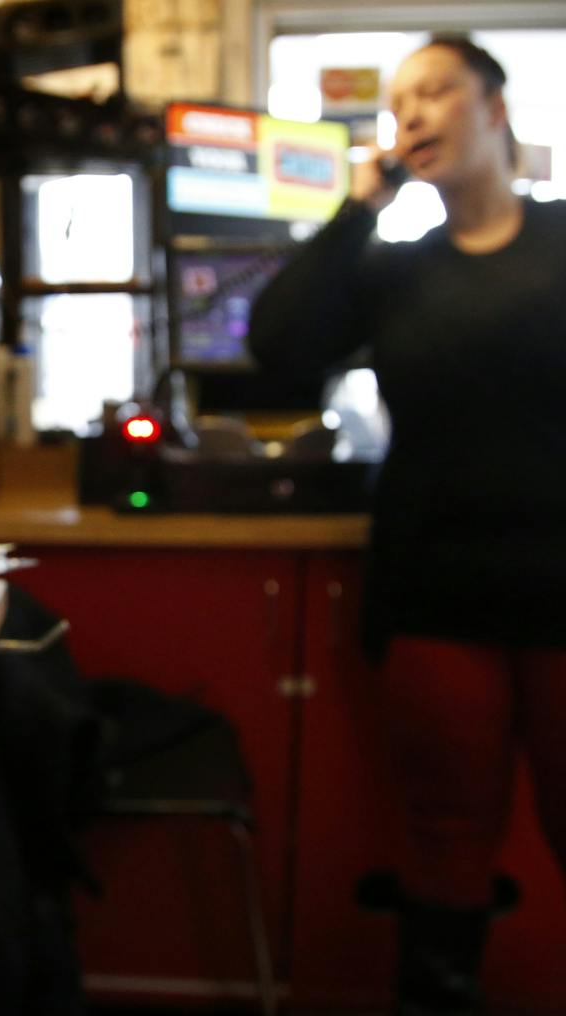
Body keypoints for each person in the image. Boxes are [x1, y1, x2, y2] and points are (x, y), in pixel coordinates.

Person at [248, 34, 566, 1016]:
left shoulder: (559, 240)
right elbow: (278, 348)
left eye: (434, 91)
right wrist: (357, 205)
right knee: (442, 831)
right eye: (397, 104)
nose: (412, 114)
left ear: (494, 107)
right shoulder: (393, 269)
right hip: (435, 588)